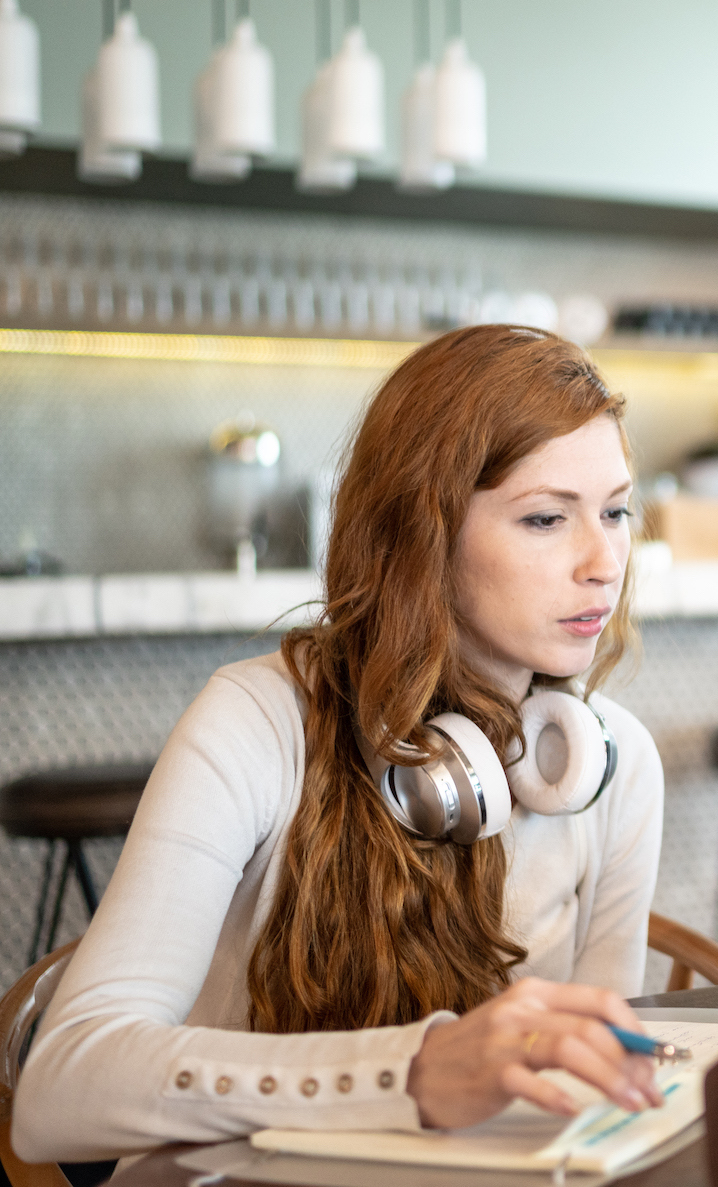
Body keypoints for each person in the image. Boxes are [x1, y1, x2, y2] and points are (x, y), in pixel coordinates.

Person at [13, 325, 667, 1163]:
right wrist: (414, 1075)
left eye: (615, 512)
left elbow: (595, 1105)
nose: (605, 560)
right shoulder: (253, 723)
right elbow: (63, 1087)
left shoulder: (612, 763)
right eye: (545, 518)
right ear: (420, 535)